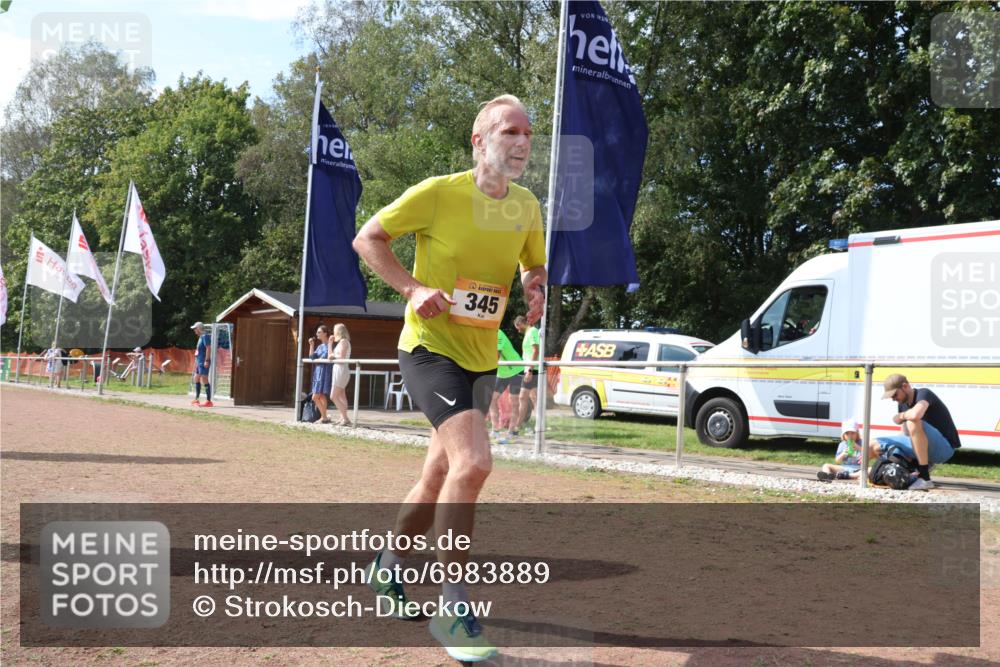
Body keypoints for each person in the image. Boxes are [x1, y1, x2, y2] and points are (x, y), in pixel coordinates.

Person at [353, 94, 546, 663]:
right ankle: (453, 605)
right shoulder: (439, 193)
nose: (521, 142)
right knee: (475, 463)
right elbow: (369, 238)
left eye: (528, 135)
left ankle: (387, 570)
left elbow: (532, 265)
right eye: (510, 131)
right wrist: (413, 288)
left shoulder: (527, 206)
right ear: (479, 140)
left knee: (438, 474)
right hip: (429, 349)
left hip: (481, 356)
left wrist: (534, 291)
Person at [873, 373, 961, 491]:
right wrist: (894, 449)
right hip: (923, 445)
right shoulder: (902, 404)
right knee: (873, 444)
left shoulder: (924, 394)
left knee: (913, 421)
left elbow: (915, 415)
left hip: (944, 448)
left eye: (894, 395)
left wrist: (901, 415)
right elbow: (904, 434)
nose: (893, 399)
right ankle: (854, 471)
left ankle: (925, 477)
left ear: (905, 386)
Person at [489, 328, 525, 443]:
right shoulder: (483, 335)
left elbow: (496, 355)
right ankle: (495, 430)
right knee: (492, 399)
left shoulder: (498, 333)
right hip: (503, 373)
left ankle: (511, 432)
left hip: (516, 369)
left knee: (514, 401)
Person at [514, 314, 541, 434]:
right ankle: (518, 427)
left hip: (532, 370)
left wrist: (530, 370)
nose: (517, 330)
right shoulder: (528, 333)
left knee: (533, 399)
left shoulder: (532, 331)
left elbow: (536, 351)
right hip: (529, 369)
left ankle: (538, 427)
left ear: (521, 323)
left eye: (517, 326)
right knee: (524, 397)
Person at [307, 324, 334, 423]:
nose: (317, 334)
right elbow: (312, 357)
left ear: (325, 333)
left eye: (319, 332)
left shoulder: (329, 346)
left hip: (324, 373)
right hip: (318, 372)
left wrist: (320, 359)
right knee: (321, 396)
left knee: (315, 397)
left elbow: (326, 357)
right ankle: (324, 417)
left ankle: (324, 417)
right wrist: (311, 345)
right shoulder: (320, 346)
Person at [329, 323, 353, 426]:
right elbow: (329, 355)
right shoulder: (339, 343)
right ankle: (342, 417)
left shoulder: (344, 342)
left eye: (334, 330)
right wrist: (330, 344)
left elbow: (342, 358)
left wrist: (333, 358)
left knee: (333, 396)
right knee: (342, 396)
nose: (333, 333)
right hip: (337, 369)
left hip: (341, 369)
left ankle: (346, 418)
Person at [190, 323, 213, 407]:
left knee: (204, 379)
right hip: (199, 361)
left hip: (203, 361)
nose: (194, 330)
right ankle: (197, 399)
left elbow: (208, 348)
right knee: (196, 378)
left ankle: (208, 401)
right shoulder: (201, 337)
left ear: (199, 328)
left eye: (195, 328)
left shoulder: (205, 336)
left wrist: (206, 360)